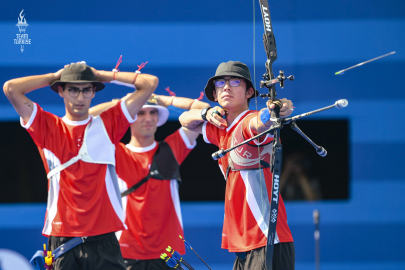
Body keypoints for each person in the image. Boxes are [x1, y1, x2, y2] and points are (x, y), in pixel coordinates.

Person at [3, 62, 158, 270]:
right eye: (73, 90)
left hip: (105, 238)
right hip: (64, 240)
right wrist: (55, 76)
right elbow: (10, 88)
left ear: (94, 92)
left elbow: (150, 83)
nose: (80, 98)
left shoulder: (109, 122)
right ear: (61, 91)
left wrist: (101, 75)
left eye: (86, 90)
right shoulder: (46, 126)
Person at [179, 61, 295, 270]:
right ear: (214, 95)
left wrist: (274, 110)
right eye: (220, 83)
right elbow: (184, 119)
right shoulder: (221, 129)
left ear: (249, 91)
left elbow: (260, 122)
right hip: (245, 243)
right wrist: (206, 113)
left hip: (267, 239)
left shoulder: (248, 122)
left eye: (234, 82)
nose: (226, 87)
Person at [89, 92, 209, 270]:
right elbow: (85, 122)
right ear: (129, 117)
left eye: (153, 112)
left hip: (168, 254)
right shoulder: (116, 152)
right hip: (126, 252)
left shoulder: (172, 148)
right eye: (140, 113)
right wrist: (123, 103)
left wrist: (168, 100)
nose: (148, 118)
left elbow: (205, 110)